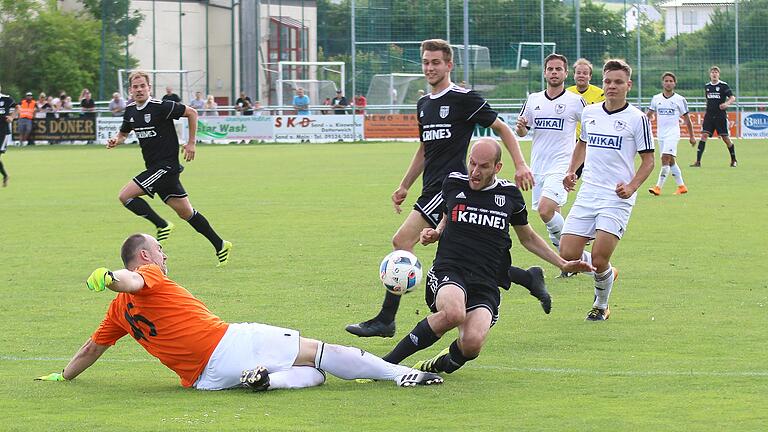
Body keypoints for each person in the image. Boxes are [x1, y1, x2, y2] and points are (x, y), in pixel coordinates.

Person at [34, 233, 443, 391]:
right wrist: (110, 276)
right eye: (159, 250)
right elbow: (133, 282)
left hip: (204, 381)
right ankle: (399, 373)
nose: (164, 253)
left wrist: (63, 374)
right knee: (320, 352)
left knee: (314, 378)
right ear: (143, 257)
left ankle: (269, 380)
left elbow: (91, 348)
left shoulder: (116, 314)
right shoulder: (146, 274)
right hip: (226, 344)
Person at [345, 38, 534, 338]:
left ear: (449, 65)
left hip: (450, 187)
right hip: (428, 187)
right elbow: (424, 149)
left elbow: (501, 128)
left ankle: (386, 319)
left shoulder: (463, 98)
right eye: (425, 62)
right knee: (463, 250)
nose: (430, 67)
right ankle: (524, 279)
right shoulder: (424, 103)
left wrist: (521, 164)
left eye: (436, 62)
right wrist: (404, 185)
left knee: (401, 241)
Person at [382, 139, 593, 373]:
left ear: (497, 168)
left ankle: (438, 364)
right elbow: (446, 215)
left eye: (483, 166)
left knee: (472, 344)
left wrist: (563, 262)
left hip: (486, 281)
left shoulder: (509, 196)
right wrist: (436, 232)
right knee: (453, 313)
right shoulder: (453, 183)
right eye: (472, 163)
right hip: (450, 270)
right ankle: (385, 365)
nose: (474, 171)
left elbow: (528, 238)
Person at [560, 59, 655, 321]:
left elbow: (649, 161)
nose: (612, 86)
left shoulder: (637, 119)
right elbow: (582, 145)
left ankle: (601, 306)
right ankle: (607, 272)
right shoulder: (590, 113)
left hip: (616, 197)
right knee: (567, 253)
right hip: (588, 192)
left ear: (628, 85)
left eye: (618, 82)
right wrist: (571, 171)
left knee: (599, 258)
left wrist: (632, 186)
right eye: (608, 81)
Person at [106, 71, 232, 267]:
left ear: (149, 87)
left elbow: (192, 112)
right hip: (157, 169)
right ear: (130, 90)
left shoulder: (161, 106)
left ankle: (162, 225)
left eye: (142, 86)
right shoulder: (130, 110)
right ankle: (221, 244)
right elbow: (123, 134)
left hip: (165, 166)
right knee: (186, 213)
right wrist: (117, 140)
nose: (139, 90)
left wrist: (191, 143)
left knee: (125, 196)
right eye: (135, 87)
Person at [515, 53, 585, 250]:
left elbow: (590, 128)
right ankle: (568, 260)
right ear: (545, 73)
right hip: (538, 166)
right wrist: (520, 127)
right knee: (553, 214)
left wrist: (576, 167)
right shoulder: (533, 99)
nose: (554, 72)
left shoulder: (575, 101)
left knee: (546, 210)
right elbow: (522, 132)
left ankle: (575, 248)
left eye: (558, 69)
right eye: (550, 69)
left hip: (562, 165)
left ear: (566, 73)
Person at [647, 72, 696, 196]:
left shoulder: (679, 99)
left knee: (665, 158)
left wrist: (691, 136)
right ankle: (681, 186)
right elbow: (648, 116)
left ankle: (658, 187)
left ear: (674, 83)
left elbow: (687, 119)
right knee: (670, 161)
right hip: (661, 134)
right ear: (662, 83)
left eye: (671, 81)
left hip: (673, 134)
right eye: (666, 81)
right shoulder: (656, 99)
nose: (668, 83)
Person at [691, 66, 737, 167]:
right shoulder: (707, 86)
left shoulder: (723, 85)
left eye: (716, 72)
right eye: (712, 72)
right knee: (703, 136)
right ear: (710, 74)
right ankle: (698, 161)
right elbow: (707, 99)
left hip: (720, 116)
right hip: (709, 116)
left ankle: (733, 160)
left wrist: (727, 104)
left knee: (725, 138)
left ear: (718, 74)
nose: (714, 74)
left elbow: (732, 97)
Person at [567, 59, 605, 178]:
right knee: (567, 177)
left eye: (585, 73)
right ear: (574, 75)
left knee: (594, 178)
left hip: (593, 143)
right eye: (578, 72)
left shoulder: (600, 94)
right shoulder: (567, 93)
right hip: (571, 144)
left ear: (590, 76)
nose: (581, 75)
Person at [0, 84, 15, 187]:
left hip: (3, 132)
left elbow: (18, 107)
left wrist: (12, 117)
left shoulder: (6, 98)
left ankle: (5, 175)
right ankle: (5, 175)